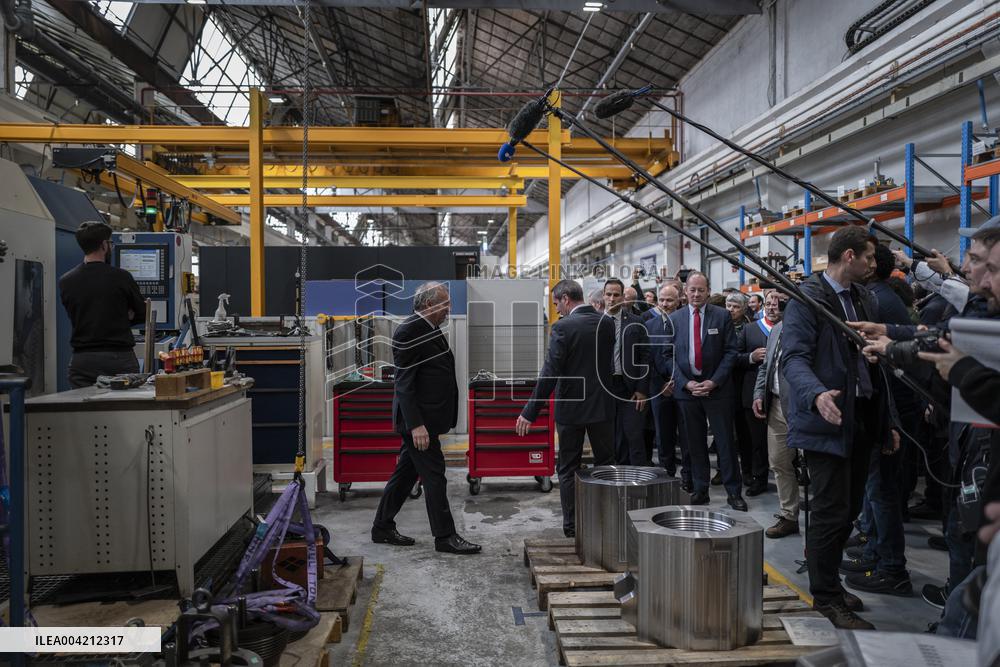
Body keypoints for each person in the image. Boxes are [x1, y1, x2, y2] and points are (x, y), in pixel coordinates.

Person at [781, 225, 898, 630]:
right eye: (868, 257)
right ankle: (826, 597)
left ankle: (830, 582)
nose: (873, 264)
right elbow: (793, 358)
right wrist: (816, 394)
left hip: (862, 416)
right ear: (848, 256)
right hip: (826, 418)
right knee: (830, 513)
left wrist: (889, 421)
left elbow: (879, 364)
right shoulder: (807, 300)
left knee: (849, 511)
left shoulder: (865, 298)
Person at [372, 282, 480, 554]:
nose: (448, 309)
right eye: (445, 304)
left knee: (405, 475)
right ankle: (444, 536)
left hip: (428, 419)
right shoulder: (410, 331)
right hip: (419, 423)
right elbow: (404, 383)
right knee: (435, 477)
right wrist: (416, 425)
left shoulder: (431, 329)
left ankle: (382, 527)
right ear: (428, 304)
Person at [842, 243, 918, 597]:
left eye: (871, 257)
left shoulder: (878, 300)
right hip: (889, 407)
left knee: (882, 491)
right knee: (876, 491)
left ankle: (890, 568)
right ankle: (875, 551)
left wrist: (887, 419)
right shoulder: (878, 296)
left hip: (892, 409)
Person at [517, 279, 615, 537]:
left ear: (566, 299)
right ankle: (604, 521)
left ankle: (572, 525)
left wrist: (530, 410)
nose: (556, 310)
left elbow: (551, 371)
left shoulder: (563, 327)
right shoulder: (607, 323)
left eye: (556, 304)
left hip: (572, 409)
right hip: (603, 407)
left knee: (569, 467)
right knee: (605, 465)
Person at [668, 272, 745, 510]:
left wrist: (714, 381)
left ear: (708, 291)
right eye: (692, 290)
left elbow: (731, 352)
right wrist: (685, 383)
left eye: (701, 290)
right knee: (694, 443)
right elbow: (666, 356)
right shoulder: (675, 319)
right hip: (688, 392)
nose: (696, 294)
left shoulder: (721, 316)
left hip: (717, 391)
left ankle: (734, 492)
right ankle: (701, 489)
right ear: (685, 292)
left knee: (725, 444)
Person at [58, 221, 145, 388]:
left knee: (83, 410)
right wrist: (120, 318)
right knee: (125, 410)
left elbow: (77, 315)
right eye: (110, 243)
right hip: (119, 359)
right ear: (104, 245)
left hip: (82, 361)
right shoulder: (121, 277)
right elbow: (142, 313)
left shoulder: (66, 281)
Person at [752, 290, 799, 537]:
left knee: (814, 467)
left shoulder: (808, 328)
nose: (777, 305)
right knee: (779, 463)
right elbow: (766, 367)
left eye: (782, 300)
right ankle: (789, 515)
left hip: (803, 407)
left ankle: (826, 522)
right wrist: (759, 394)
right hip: (776, 404)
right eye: (773, 300)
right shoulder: (776, 330)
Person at [603, 279, 650, 465]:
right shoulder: (594, 322)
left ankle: (637, 484)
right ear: (603, 295)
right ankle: (612, 480)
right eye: (608, 294)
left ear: (623, 297)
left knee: (633, 436)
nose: (612, 299)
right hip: (603, 388)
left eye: (616, 295)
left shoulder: (636, 322)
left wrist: (642, 389)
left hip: (629, 388)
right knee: (609, 438)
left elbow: (645, 357)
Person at [735, 292, 771, 496]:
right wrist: (750, 357)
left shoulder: (788, 328)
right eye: (770, 303)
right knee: (754, 440)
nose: (774, 307)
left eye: (778, 303)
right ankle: (758, 477)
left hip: (780, 393)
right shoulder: (749, 330)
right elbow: (735, 357)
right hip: (752, 392)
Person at [645, 283, 682, 477]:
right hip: (659, 389)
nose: (665, 304)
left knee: (687, 435)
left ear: (679, 301)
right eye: (662, 300)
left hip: (685, 387)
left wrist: (678, 381)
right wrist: (661, 384)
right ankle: (667, 474)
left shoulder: (686, 322)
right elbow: (647, 358)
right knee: (663, 436)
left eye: (670, 300)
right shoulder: (649, 325)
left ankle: (689, 478)